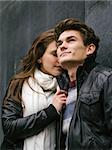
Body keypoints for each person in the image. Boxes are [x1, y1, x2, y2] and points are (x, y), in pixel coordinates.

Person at [1, 29, 67, 150]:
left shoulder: (65, 85)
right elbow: (9, 128)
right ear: (39, 57)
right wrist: (51, 112)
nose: (60, 60)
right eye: (54, 54)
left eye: (61, 54)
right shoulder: (19, 84)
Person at [54, 18, 112, 150]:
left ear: (89, 49)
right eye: (59, 43)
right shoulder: (61, 90)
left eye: (71, 40)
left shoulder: (106, 78)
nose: (62, 46)